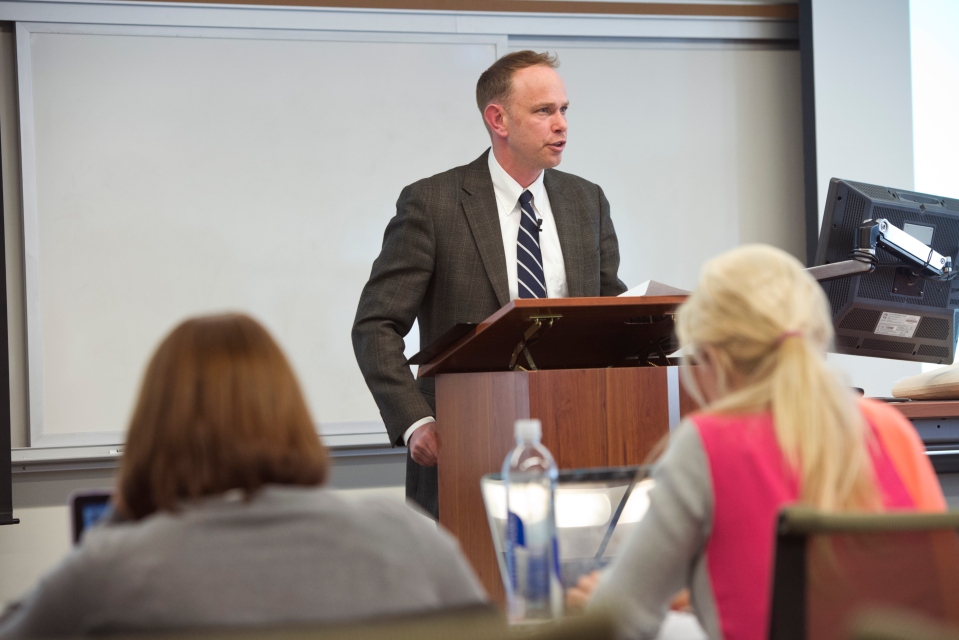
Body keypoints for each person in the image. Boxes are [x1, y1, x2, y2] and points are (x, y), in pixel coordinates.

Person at [0, 314, 486, 638]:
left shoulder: (112, 570)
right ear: (290, 415)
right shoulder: (410, 538)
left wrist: (120, 520)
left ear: (156, 429)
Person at [570, 245, 946, 640]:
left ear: (712, 355)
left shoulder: (708, 444)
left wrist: (605, 601)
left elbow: (620, 619)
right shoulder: (891, 429)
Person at [352, 50, 627, 519]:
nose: (561, 125)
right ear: (498, 119)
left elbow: (611, 318)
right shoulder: (433, 203)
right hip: (463, 444)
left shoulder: (587, 201)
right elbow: (375, 325)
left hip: (577, 441)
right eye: (544, 111)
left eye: (564, 110)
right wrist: (416, 421)